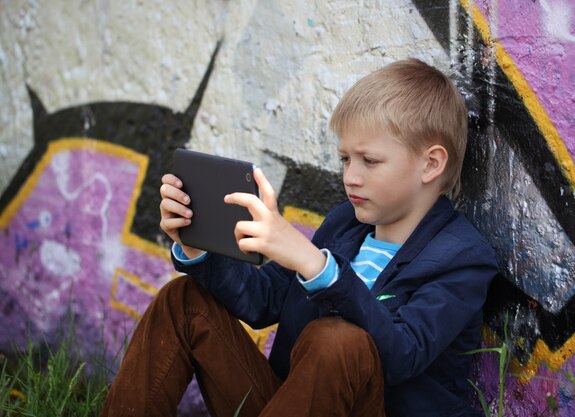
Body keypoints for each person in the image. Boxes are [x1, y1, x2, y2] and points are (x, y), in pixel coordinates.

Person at [101, 58, 499, 417]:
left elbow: (403, 356)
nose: (351, 176)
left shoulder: (461, 257)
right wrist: (197, 249)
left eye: (370, 161)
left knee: (339, 341)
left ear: (431, 163)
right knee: (183, 299)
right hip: (289, 403)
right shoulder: (345, 225)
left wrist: (316, 265)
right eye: (345, 159)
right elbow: (263, 302)